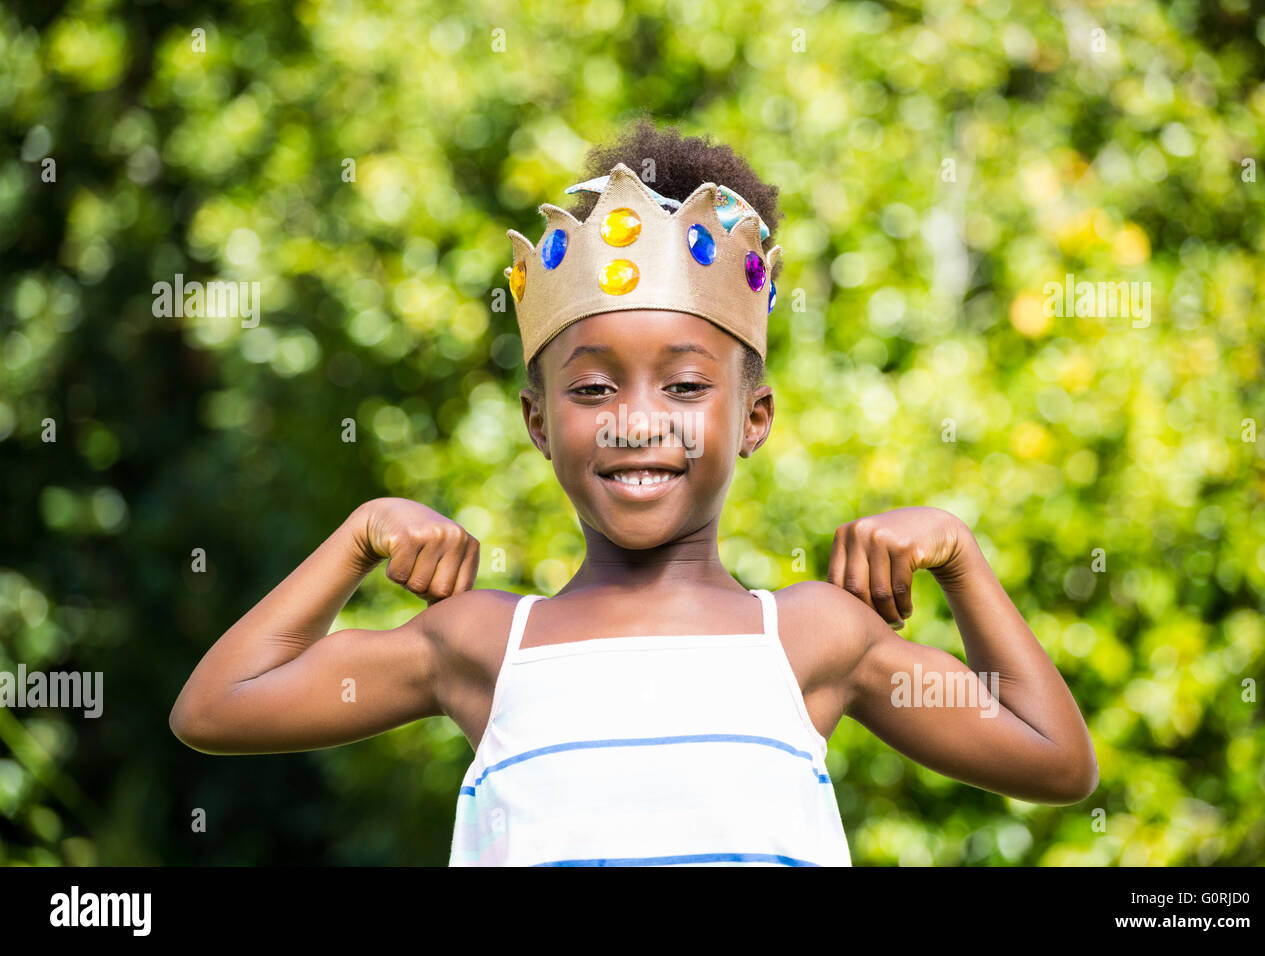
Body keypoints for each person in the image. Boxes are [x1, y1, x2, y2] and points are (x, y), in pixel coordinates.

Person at [169, 118, 1099, 867]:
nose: (634, 421)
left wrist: (958, 554)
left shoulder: (813, 637)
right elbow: (215, 709)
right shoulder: (485, 643)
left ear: (754, 417)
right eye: (591, 387)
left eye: (687, 386)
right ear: (539, 424)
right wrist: (359, 537)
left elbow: (1055, 760)